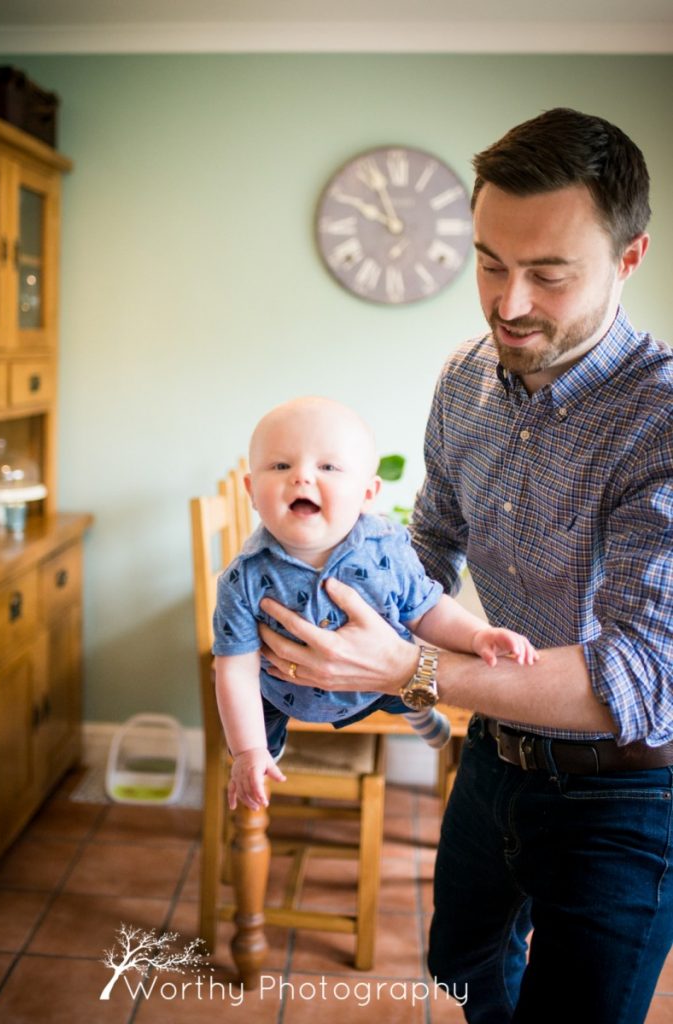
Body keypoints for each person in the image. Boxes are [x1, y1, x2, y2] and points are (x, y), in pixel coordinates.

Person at [254, 108, 673, 1024]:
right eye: (488, 263)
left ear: (629, 257)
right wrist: (331, 586)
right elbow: (431, 542)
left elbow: (641, 678)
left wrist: (410, 670)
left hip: (631, 789)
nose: (509, 303)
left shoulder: (662, 415)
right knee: (460, 964)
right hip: (494, 754)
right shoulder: (462, 379)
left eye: (549, 275)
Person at [212, 395, 537, 812]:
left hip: (377, 683)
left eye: (327, 467)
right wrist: (248, 752)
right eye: (280, 466)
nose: (301, 478)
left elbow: (426, 608)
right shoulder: (244, 577)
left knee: (413, 679)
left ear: (368, 493)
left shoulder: (386, 549)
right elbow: (234, 670)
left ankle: (417, 714)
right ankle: (265, 756)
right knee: (254, 722)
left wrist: (477, 634)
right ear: (252, 491)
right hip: (282, 691)